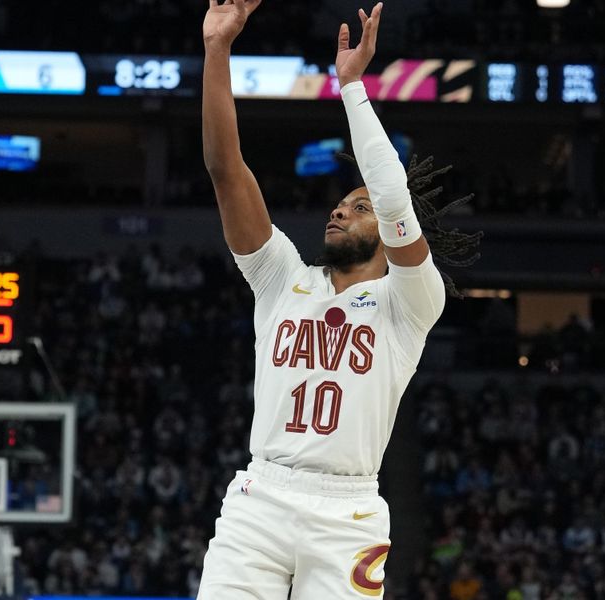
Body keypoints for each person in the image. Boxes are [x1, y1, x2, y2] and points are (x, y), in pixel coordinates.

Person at [199, 1, 480, 598]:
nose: (338, 209)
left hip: (348, 512)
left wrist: (351, 87)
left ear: (387, 231)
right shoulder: (281, 278)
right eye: (339, 203)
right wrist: (217, 49)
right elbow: (227, 170)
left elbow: (393, 197)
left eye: (358, 207)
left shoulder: (412, 301)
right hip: (261, 498)